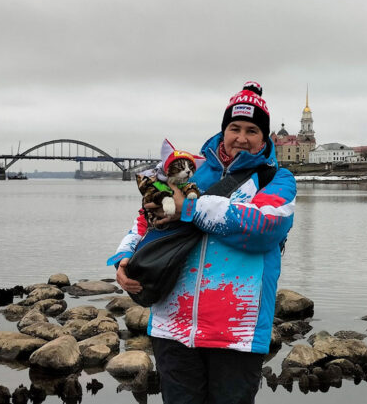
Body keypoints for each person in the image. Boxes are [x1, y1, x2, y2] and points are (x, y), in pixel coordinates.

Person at [108, 81, 296, 404]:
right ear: (223, 131)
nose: (241, 137)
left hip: (237, 334)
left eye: (252, 130)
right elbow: (146, 215)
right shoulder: (188, 170)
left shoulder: (276, 179)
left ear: (264, 137)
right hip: (172, 328)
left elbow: (265, 226)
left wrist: (190, 209)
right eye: (234, 128)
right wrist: (124, 255)